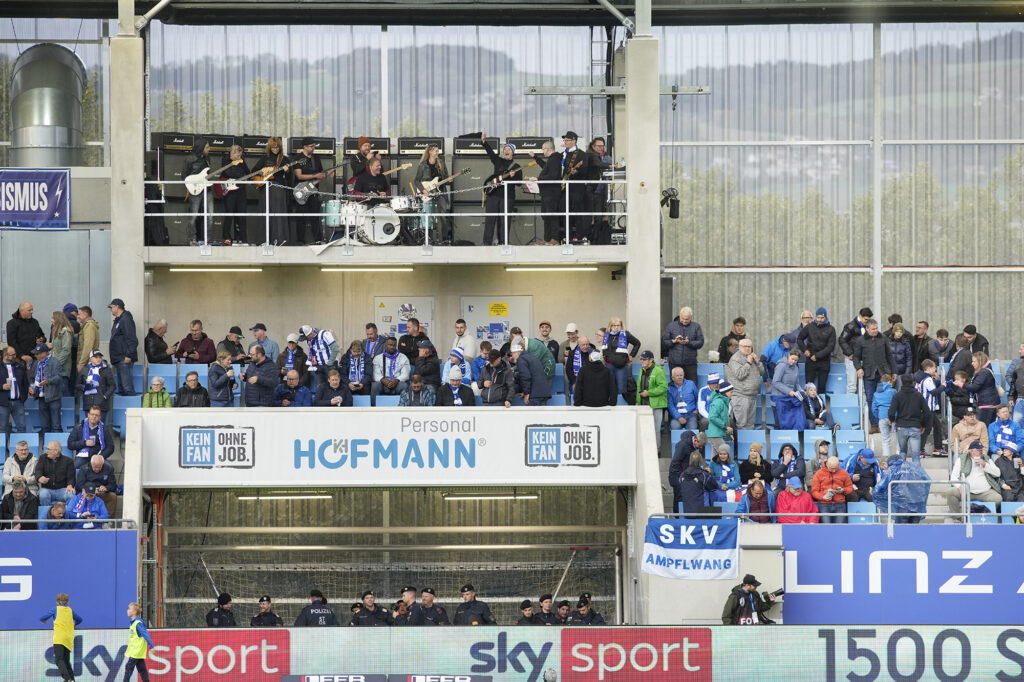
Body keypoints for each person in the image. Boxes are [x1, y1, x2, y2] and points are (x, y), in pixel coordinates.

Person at [480, 134, 522, 246]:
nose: (506, 151)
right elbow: (490, 153)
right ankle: (486, 243)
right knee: (490, 220)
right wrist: (484, 142)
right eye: (505, 149)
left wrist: (514, 176)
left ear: (513, 152)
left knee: (504, 221)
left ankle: (503, 243)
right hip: (493, 195)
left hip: (507, 197)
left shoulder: (517, 166)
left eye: (508, 149)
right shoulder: (498, 161)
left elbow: (519, 183)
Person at [854, 319, 895, 432]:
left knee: (887, 397)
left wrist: (894, 371)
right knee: (871, 399)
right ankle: (874, 424)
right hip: (868, 374)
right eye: (873, 329)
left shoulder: (883, 338)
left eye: (876, 328)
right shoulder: (860, 340)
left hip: (884, 373)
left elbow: (889, 356)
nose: (875, 331)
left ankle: (887, 422)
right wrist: (858, 368)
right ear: (867, 329)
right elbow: (856, 357)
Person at [946, 441, 1002, 517]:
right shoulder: (961, 459)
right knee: (950, 492)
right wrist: (959, 487)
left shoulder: (986, 458)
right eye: (979, 450)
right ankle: (959, 517)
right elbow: (953, 477)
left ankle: (984, 516)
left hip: (984, 491)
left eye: (981, 449)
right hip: (967, 491)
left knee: (997, 498)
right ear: (971, 451)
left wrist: (984, 464)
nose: (981, 451)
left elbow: (998, 473)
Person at [254, 137, 292, 244]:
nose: (275, 150)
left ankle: (279, 239)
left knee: (278, 214)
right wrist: (263, 173)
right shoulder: (264, 158)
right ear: (269, 148)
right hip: (265, 187)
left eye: (277, 147)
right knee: (265, 213)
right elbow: (254, 171)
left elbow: (290, 178)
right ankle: (264, 240)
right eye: (273, 147)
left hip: (278, 188)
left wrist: (287, 171)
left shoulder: (284, 159)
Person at [888, 373, 932, 463]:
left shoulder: (897, 395)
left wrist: (892, 420)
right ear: (913, 382)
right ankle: (916, 476)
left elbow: (891, 412)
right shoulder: (918, 395)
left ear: (901, 382)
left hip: (901, 426)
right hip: (915, 426)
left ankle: (902, 474)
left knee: (902, 452)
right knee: (915, 455)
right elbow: (927, 412)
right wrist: (923, 424)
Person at [291, 137, 328, 244]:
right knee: (301, 217)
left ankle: (318, 239)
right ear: (305, 147)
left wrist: (326, 174)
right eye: (311, 146)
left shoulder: (316, 158)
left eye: (314, 146)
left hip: (314, 191)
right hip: (301, 192)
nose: (314, 148)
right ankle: (300, 240)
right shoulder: (298, 158)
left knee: (315, 216)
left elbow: (320, 173)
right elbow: (299, 176)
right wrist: (315, 175)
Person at [413, 144, 452, 243]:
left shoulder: (441, 163)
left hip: (440, 192)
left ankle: (443, 240)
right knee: (428, 216)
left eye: (438, 151)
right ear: (430, 152)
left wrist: (449, 180)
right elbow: (416, 181)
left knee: (442, 216)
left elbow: (445, 179)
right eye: (436, 151)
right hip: (427, 193)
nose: (437, 153)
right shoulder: (422, 165)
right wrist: (423, 190)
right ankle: (428, 240)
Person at [40, 593, 82, 682]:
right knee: (66, 661)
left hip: (59, 638)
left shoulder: (55, 609)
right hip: (68, 639)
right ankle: (72, 679)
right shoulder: (71, 611)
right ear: (67, 602)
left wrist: (44, 621)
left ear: (57, 602)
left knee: (59, 659)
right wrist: (75, 624)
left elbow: (42, 618)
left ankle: (67, 679)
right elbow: (80, 619)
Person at [557, 131, 591, 242]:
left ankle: (580, 236)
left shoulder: (581, 154)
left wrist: (576, 172)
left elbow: (585, 171)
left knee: (577, 212)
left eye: (567, 140)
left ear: (574, 141)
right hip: (564, 188)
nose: (565, 142)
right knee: (565, 213)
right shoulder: (563, 154)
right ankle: (568, 236)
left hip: (577, 188)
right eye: (564, 140)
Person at [726, 339, 767, 430]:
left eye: (749, 346)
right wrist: (748, 363)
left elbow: (762, 372)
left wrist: (758, 362)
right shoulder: (735, 359)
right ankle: (740, 444)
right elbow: (740, 375)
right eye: (745, 346)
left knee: (750, 425)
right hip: (740, 396)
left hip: (752, 395)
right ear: (740, 347)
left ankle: (748, 444)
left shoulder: (752, 357)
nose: (748, 348)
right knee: (742, 425)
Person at [531, 140, 565, 244]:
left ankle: (554, 238)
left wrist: (538, 179)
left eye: (543, 149)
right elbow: (545, 167)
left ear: (547, 149)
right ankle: (547, 238)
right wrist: (535, 157)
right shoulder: (552, 159)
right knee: (546, 216)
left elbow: (553, 175)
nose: (543, 151)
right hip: (547, 192)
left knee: (552, 215)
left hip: (552, 192)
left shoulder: (554, 159)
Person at [796, 307, 836, 393]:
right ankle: (808, 405)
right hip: (810, 360)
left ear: (825, 317)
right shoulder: (810, 327)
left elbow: (830, 347)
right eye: (818, 317)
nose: (820, 320)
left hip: (824, 361)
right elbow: (799, 339)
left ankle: (820, 405)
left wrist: (817, 356)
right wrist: (805, 350)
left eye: (822, 318)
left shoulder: (831, 329)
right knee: (809, 387)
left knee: (822, 387)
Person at [601, 317, 641, 401]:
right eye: (614, 325)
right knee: (609, 389)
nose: (616, 327)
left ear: (621, 326)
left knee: (621, 390)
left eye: (618, 325)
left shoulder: (626, 334)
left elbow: (637, 343)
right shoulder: (607, 334)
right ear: (610, 326)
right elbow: (605, 347)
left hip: (621, 367)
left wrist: (631, 355)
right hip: (609, 366)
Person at [662, 306, 704, 384]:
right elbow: (664, 342)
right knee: (675, 386)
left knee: (692, 385)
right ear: (680, 316)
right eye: (682, 319)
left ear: (690, 317)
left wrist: (689, 342)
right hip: (674, 363)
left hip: (690, 364)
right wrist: (673, 341)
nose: (684, 321)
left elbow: (701, 342)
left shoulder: (696, 326)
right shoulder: (671, 326)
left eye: (687, 319)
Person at [915, 359, 948, 456]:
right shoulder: (928, 379)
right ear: (928, 368)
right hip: (928, 408)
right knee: (928, 429)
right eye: (934, 368)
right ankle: (921, 449)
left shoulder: (920, 378)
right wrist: (943, 386)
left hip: (924, 409)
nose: (935, 370)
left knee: (937, 426)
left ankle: (937, 448)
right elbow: (934, 392)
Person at [29, 342, 63, 433]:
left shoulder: (55, 362)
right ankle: (45, 442)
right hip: (41, 396)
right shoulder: (36, 363)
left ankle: (56, 442)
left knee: (56, 425)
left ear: (44, 353)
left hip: (53, 397)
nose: (35, 355)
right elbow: (32, 378)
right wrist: (31, 387)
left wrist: (49, 381)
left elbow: (59, 377)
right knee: (44, 425)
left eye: (37, 353)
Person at [183, 138, 212, 242]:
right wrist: (190, 187)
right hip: (195, 191)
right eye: (207, 147)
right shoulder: (190, 159)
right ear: (201, 147)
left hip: (207, 190)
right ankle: (192, 240)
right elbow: (184, 176)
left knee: (209, 216)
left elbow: (207, 174)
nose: (209, 149)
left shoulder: (207, 158)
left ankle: (206, 240)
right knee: (194, 217)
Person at [668, 430, 708, 506]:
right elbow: (675, 463)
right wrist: (680, 478)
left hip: (688, 475)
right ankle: (677, 516)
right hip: (677, 476)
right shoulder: (682, 446)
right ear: (695, 440)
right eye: (700, 445)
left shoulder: (697, 445)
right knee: (679, 498)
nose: (701, 448)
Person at [811, 455, 855, 523]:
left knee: (839, 528)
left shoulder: (844, 473)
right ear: (827, 464)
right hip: (824, 505)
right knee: (826, 528)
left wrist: (843, 490)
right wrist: (823, 497)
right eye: (832, 468)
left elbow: (850, 488)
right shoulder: (818, 474)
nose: (834, 470)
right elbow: (814, 491)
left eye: (836, 468)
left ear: (839, 465)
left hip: (840, 504)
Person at [675, 451, 720, 518]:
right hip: (703, 513)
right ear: (701, 461)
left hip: (687, 513)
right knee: (719, 513)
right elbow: (715, 487)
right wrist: (710, 474)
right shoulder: (704, 475)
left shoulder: (682, 476)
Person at [108, 299, 138, 396]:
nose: (110, 309)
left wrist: (129, 355)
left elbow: (132, 339)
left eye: (111, 307)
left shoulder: (126, 320)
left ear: (117, 307)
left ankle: (133, 410)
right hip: (119, 359)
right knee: (122, 389)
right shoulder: (118, 320)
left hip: (124, 359)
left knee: (127, 388)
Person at [770, 350, 805, 430]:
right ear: (788, 356)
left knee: (788, 424)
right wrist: (789, 391)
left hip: (789, 400)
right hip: (778, 399)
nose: (793, 361)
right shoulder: (781, 365)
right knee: (779, 424)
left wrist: (801, 391)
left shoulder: (796, 368)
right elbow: (775, 382)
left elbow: (796, 384)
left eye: (796, 360)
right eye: (792, 359)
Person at [77, 350, 115, 421]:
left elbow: (112, 386)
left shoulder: (106, 370)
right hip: (88, 404)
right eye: (96, 357)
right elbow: (77, 384)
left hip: (101, 404)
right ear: (90, 358)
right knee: (89, 427)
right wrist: (84, 387)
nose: (98, 359)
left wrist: (105, 396)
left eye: (100, 357)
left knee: (100, 427)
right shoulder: (84, 370)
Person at [36, 440, 77, 506]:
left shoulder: (68, 461)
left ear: (56, 451)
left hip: (62, 489)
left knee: (71, 496)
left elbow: (71, 477)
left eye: (48, 449)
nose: (46, 451)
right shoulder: (42, 458)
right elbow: (38, 470)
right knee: (43, 495)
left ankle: (67, 514)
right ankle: (47, 514)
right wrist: (39, 477)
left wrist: (70, 485)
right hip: (47, 489)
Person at [964, 352, 1000, 424]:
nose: (972, 363)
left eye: (974, 361)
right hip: (991, 403)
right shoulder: (986, 371)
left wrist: (962, 385)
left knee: (983, 427)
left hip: (986, 405)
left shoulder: (983, 372)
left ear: (980, 362)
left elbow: (974, 387)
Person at [0, 344, 29, 433]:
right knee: (2, 428)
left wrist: (23, 397)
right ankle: (3, 447)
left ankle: (21, 447)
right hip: (3, 402)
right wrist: (1, 386)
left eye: (15, 354)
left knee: (22, 427)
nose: (15, 357)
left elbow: (25, 383)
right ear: (5, 356)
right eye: (13, 355)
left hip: (18, 402)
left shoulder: (19, 366)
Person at [122, 601, 154, 682]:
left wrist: (151, 646)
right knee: (142, 670)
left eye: (129, 609)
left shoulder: (138, 623)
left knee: (128, 668)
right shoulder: (133, 623)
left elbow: (145, 634)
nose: (127, 610)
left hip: (136, 652)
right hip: (137, 652)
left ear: (134, 612)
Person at [636, 350, 668, 430]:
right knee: (645, 430)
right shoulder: (641, 370)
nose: (642, 361)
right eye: (641, 359)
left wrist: (649, 393)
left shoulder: (658, 371)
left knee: (655, 430)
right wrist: (637, 401)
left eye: (644, 359)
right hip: (643, 405)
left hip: (655, 405)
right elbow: (638, 387)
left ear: (651, 360)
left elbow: (663, 387)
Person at [372, 337, 411, 402]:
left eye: (394, 345)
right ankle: (373, 408)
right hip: (382, 382)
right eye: (390, 345)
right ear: (386, 345)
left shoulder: (403, 357)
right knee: (375, 386)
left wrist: (396, 380)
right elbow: (375, 374)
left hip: (397, 382)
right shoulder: (378, 358)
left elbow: (405, 374)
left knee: (404, 386)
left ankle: (404, 408)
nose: (392, 347)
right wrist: (383, 380)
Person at [7, 302, 46, 366]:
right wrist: (21, 355)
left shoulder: (35, 322)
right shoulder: (12, 323)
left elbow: (42, 336)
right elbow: (11, 342)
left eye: (32, 310)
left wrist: (42, 339)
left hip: (34, 358)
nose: (31, 312)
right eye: (29, 310)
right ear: (21, 310)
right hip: (19, 359)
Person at [49, 310, 74, 395]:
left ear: (58, 319)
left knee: (64, 390)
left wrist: (56, 363)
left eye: (53, 318)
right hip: (56, 368)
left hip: (62, 369)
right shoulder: (56, 332)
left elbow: (66, 350)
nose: (51, 320)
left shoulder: (66, 332)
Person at [871, 374, 897, 458]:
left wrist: (878, 416)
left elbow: (873, 408)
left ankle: (886, 457)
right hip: (894, 417)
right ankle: (898, 456)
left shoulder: (876, 393)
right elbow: (897, 405)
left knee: (885, 439)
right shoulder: (893, 391)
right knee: (898, 438)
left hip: (882, 417)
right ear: (889, 381)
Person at [666, 366, 698, 431]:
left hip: (691, 414)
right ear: (673, 378)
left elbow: (698, 398)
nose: (680, 377)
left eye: (681, 375)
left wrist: (697, 410)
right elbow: (670, 406)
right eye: (677, 375)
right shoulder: (669, 388)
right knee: (675, 427)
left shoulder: (691, 384)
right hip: (676, 416)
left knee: (693, 429)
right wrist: (678, 417)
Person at [707, 381, 734, 453]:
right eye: (731, 392)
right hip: (715, 435)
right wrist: (725, 427)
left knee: (716, 458)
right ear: (725, 392)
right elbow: (712, 417)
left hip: (718, 434)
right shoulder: (719, 402)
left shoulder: (724, 402)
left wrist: (728, 435)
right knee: (724, 454)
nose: (733, 394)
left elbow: (725, 420)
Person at [75, 306, 99, 373]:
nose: (77, 316)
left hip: (87, 364)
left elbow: (88, 346)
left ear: (85, 315)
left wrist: (81, 364)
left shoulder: (89, 326)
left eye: (79, 314)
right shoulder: (85, 326)